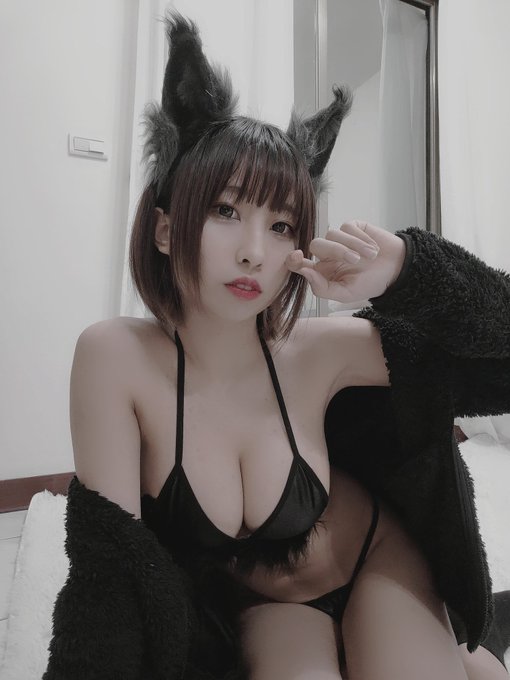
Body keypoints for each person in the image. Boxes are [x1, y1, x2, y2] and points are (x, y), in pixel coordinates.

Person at [43, 11, 510, 680]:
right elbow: (108, 575)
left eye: (282, 224)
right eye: (226, 210)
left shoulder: (322, 350)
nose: (254, 252)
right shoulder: (115, 357)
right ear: (166, 230)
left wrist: (408, 272)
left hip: (376, 559)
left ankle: (471, 650)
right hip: (263, 604)